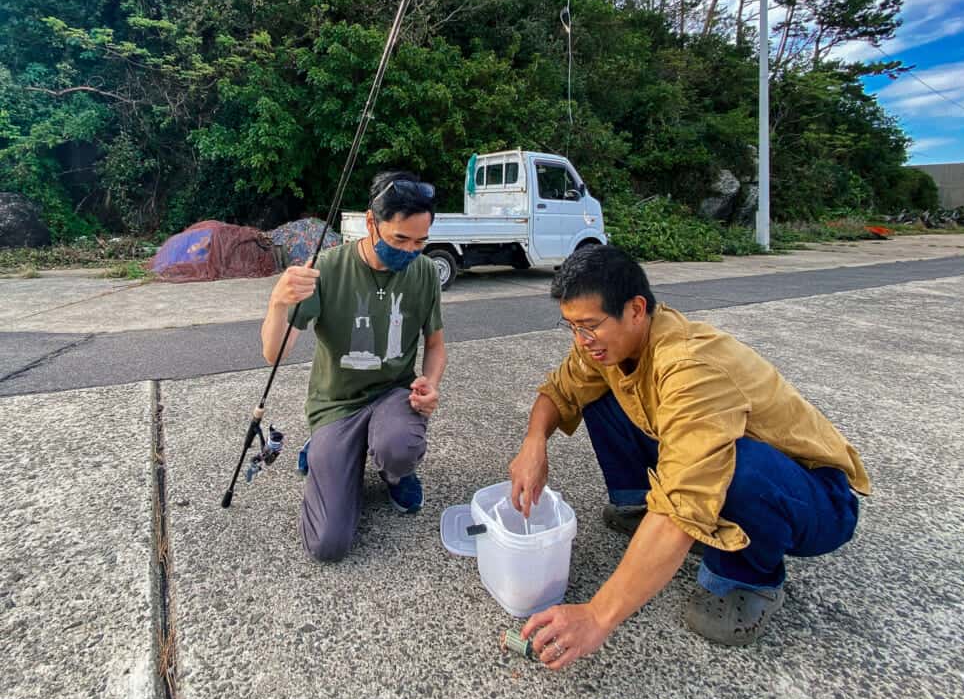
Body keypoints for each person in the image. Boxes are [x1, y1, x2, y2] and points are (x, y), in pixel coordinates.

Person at [508, 244, 869, 668]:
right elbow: (561, 391)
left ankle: (750, 580)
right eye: (571, 327)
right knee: (601, 396)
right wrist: (534, 444)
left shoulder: (690, 367)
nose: (581, 341)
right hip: (730, 469)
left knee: (733, 468)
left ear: (636, 308)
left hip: (815, 497)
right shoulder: (610, 346)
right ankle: (638, 507)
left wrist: (597, 615)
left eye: (589, 326)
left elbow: (685, 497)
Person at [261, 171, 446, 561]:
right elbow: (274, 354)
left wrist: (430, 381)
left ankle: (396, 474)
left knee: (400, 446)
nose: (411, 251)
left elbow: (435, 343)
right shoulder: (326, 269)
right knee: (327, 545)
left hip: (394, 395)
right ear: (370, 222)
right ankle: (325, 448)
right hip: (336, 404)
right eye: (400, 239)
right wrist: (278, 303)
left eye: (420, 241)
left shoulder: (426, 272)